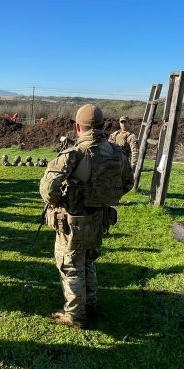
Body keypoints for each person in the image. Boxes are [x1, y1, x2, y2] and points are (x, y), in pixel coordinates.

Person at [39, 104, 133, 329]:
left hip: (74, 221)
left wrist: (62, 199)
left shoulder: (73, 154)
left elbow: (47, 190)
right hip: (99, 219)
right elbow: (127, 183)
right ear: (102, 125)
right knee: (88, 260)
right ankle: (90, 303)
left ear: (78, 127)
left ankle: (75, 315)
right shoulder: (116, 152)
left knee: (71, 266)